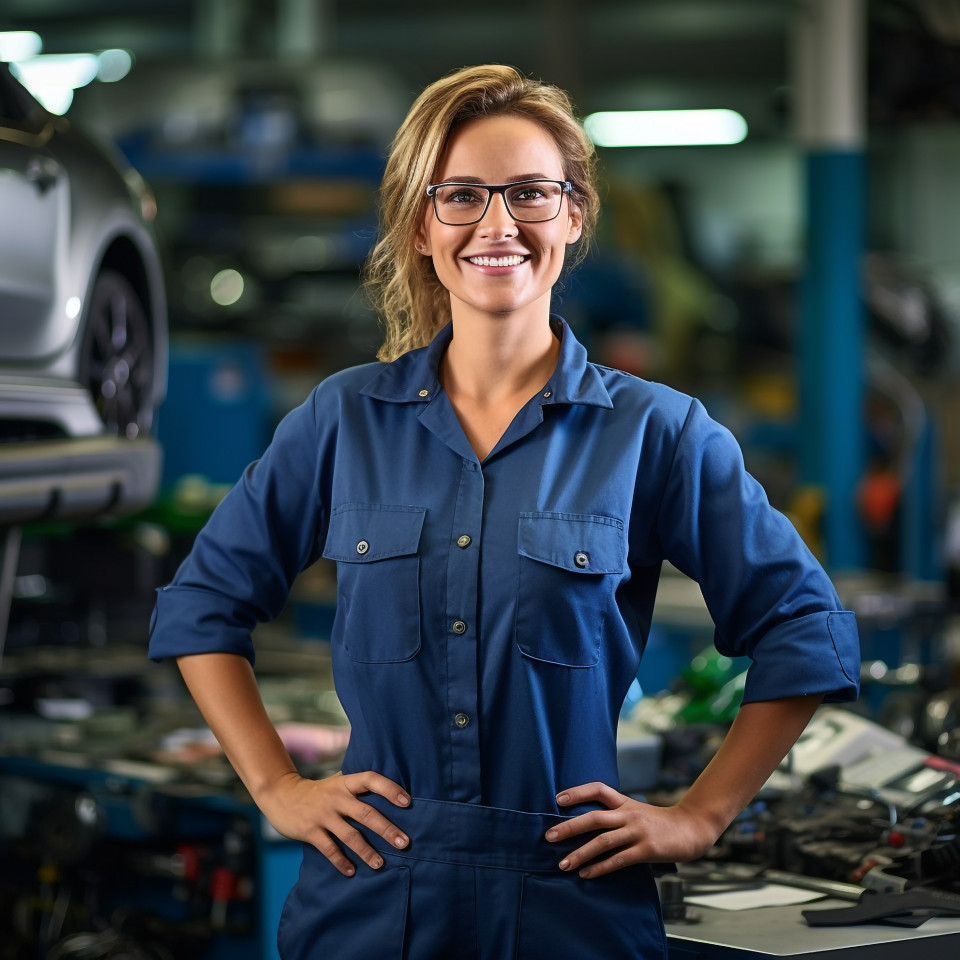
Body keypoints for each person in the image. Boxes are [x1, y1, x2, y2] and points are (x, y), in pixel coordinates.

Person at [148, 64, 860, 960]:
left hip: (571, 904)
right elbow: (201, 605)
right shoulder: (342, 419)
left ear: (573, 214)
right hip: (372, 903)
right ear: (421, 224)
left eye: (529, 193)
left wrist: (701, 816)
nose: (498, 224)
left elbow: (804, 625)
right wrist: (275, 786)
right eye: (461, 196)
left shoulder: (658, 433)